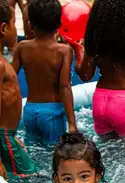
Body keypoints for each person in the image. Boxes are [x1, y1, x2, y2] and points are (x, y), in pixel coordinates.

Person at [71, 0, 125, 139]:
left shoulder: (95, 41)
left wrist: (78, 51)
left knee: (105, 150)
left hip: (100, 102)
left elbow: (85, 75)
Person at [12, 0, 78, 145]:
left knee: (34, 151)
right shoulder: (64, 51)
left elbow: (10, 79)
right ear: (60, 24)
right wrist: (72, 123)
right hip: (52, 114)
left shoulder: (21, 47)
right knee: (54, 155)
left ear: (30, 25)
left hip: (29, 111)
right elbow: (65, 86)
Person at [0, 0, 37, 177]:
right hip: (3, 137)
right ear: (3, 28)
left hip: (7, 136)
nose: (16, 29)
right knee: (27, 176)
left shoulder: (2, 61)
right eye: (14, 23)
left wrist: (10, 137)